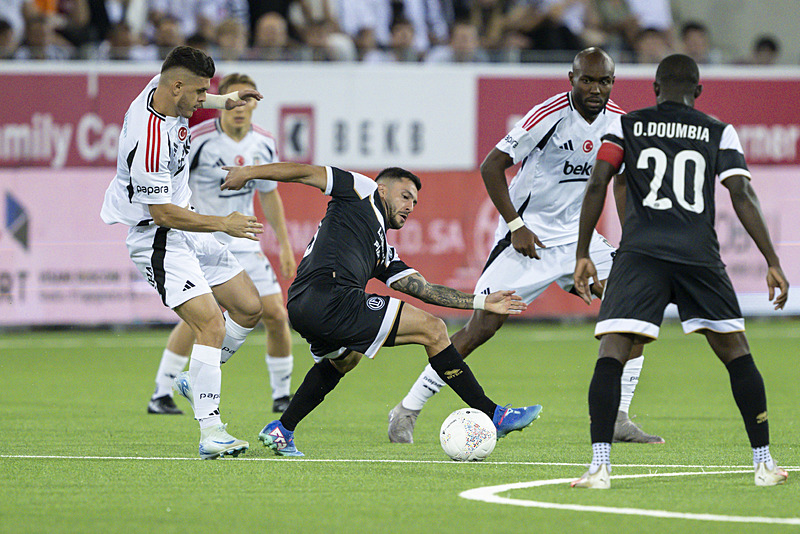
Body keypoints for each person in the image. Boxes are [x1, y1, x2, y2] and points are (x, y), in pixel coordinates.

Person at [388, 47, 663, 445]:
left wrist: (631, 237)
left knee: (634, 306)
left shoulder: (620, 123)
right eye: (587, 79)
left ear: (612, 84)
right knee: (482, 326)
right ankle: (407, 409)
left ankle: (618, 417)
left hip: (576, 238)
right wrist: (516, 224)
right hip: (528, 237)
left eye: (603, 81)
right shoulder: (548, 115)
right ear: (571, 78)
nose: (595, 88)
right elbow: (491, 165)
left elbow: (619, 181)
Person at [220, 162, 543, 457]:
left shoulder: (382, 249)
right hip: (329, 296)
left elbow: (425, 290)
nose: (409, 207)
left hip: (305, 305)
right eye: (405, 196)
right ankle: (494, 414)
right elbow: (306, 173)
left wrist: (482, 301)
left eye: (414, 203)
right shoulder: (362, 190)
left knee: (346, 359)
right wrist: (250, 172)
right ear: (383, 189)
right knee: (434, 330)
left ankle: (283, 429)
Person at [571, 54, 789, 489]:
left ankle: (599, 468)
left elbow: (599, 183)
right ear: (698, 91)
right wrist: (772, 260)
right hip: (697, 255)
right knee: (737, 354)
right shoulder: (717, 130)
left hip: (641, 253)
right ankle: (764, 464)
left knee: (612, 352)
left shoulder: (625, 125)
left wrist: (583, 253)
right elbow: (741, 192)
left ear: (654, 88)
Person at [100, 46, 265, 459]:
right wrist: (223, 223)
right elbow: (161, 213)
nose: (200, 101)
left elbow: (185, 88)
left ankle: (198, 376)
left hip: (185, 220)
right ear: (176, 88)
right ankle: (212, 432)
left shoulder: (162, 91)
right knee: (209, 324)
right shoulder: (148, 139)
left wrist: (224, 100)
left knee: (249, 307)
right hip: (157, 234)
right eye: (198, 93)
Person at [146, 72, 297, 417]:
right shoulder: (197, 138)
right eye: (234, 101)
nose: (240, 109)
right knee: (199, 318)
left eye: (248, 102)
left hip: (243, 238)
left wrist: (285, 243)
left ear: (255, 106)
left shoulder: (264, 143)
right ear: (220, 104)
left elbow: (269, 195)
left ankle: (281, 395)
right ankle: (161, 392)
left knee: (275, 314)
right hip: (202, 238)